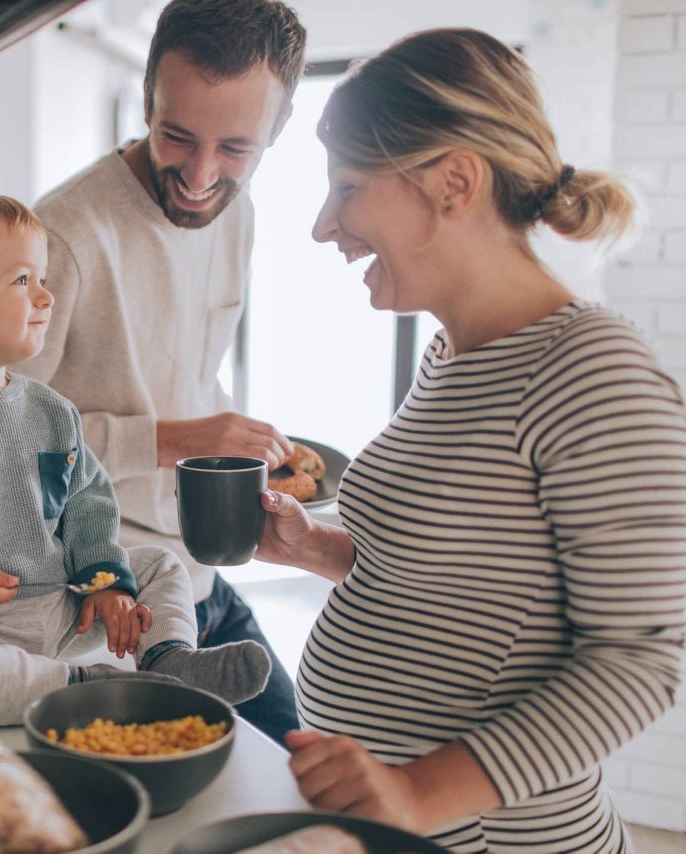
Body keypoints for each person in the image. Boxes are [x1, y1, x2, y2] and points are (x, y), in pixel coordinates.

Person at [253, 28, 686, 852]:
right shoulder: (454, 356)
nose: (322, 227)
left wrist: (418, 793)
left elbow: (639, 662)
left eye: (347, 188)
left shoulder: (592, 372)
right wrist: (316, 548)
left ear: (454, 181)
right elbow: (464, 586)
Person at [0, 190, 270, 725]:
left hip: (60, 605)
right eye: (23, 281)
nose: (46, 297)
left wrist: (106, 580)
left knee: (161, 563)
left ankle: (169, 659)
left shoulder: (51, 410)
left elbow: (89, 503)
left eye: (42, 279)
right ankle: (90, 688)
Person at [15, 0, 307, 743]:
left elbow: (186, 371)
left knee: (305, 756)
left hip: (200, 574)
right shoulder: (64, 233)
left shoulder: (236, 217)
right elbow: (5, 440)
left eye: (236, 148)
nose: (202, 176)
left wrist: (240, 455)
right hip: (107, 594)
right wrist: (174, 438)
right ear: (147, 96)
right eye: (177, 136)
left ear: (278, 129)